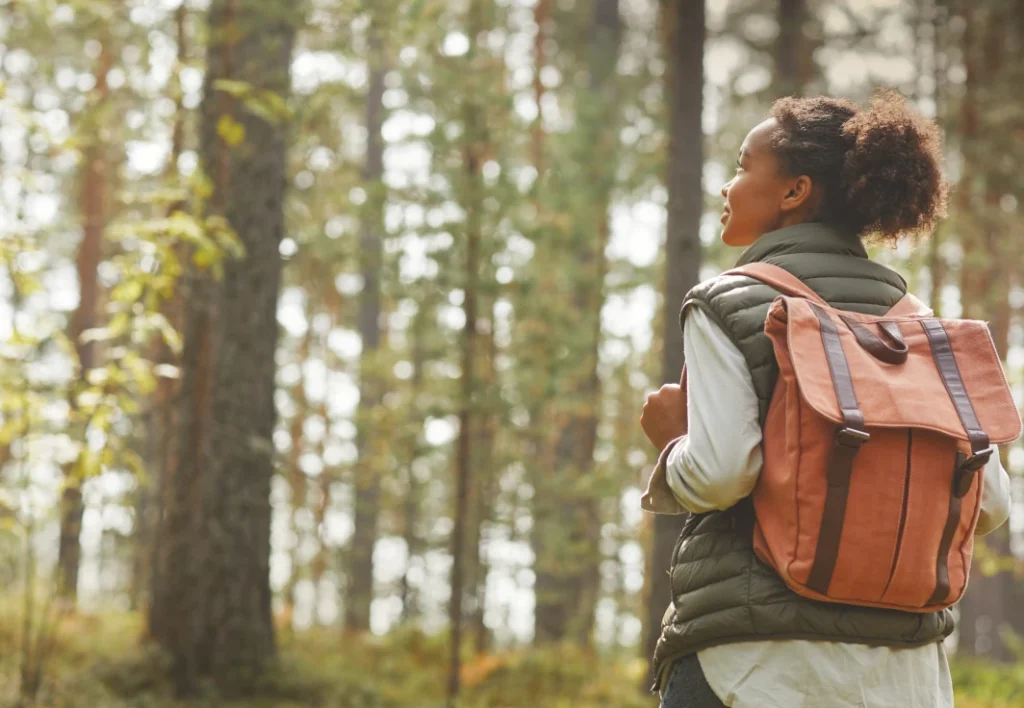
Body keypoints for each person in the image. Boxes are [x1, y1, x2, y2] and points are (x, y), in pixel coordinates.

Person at [639, 90, 1013, 708]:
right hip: (907, 676)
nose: (727, 185)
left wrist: (673, 440)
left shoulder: (729, 302)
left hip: (754, 665)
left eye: (741, 165)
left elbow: (720, 474)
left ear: (795, 192)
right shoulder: (925, 331)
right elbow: (991, 503)